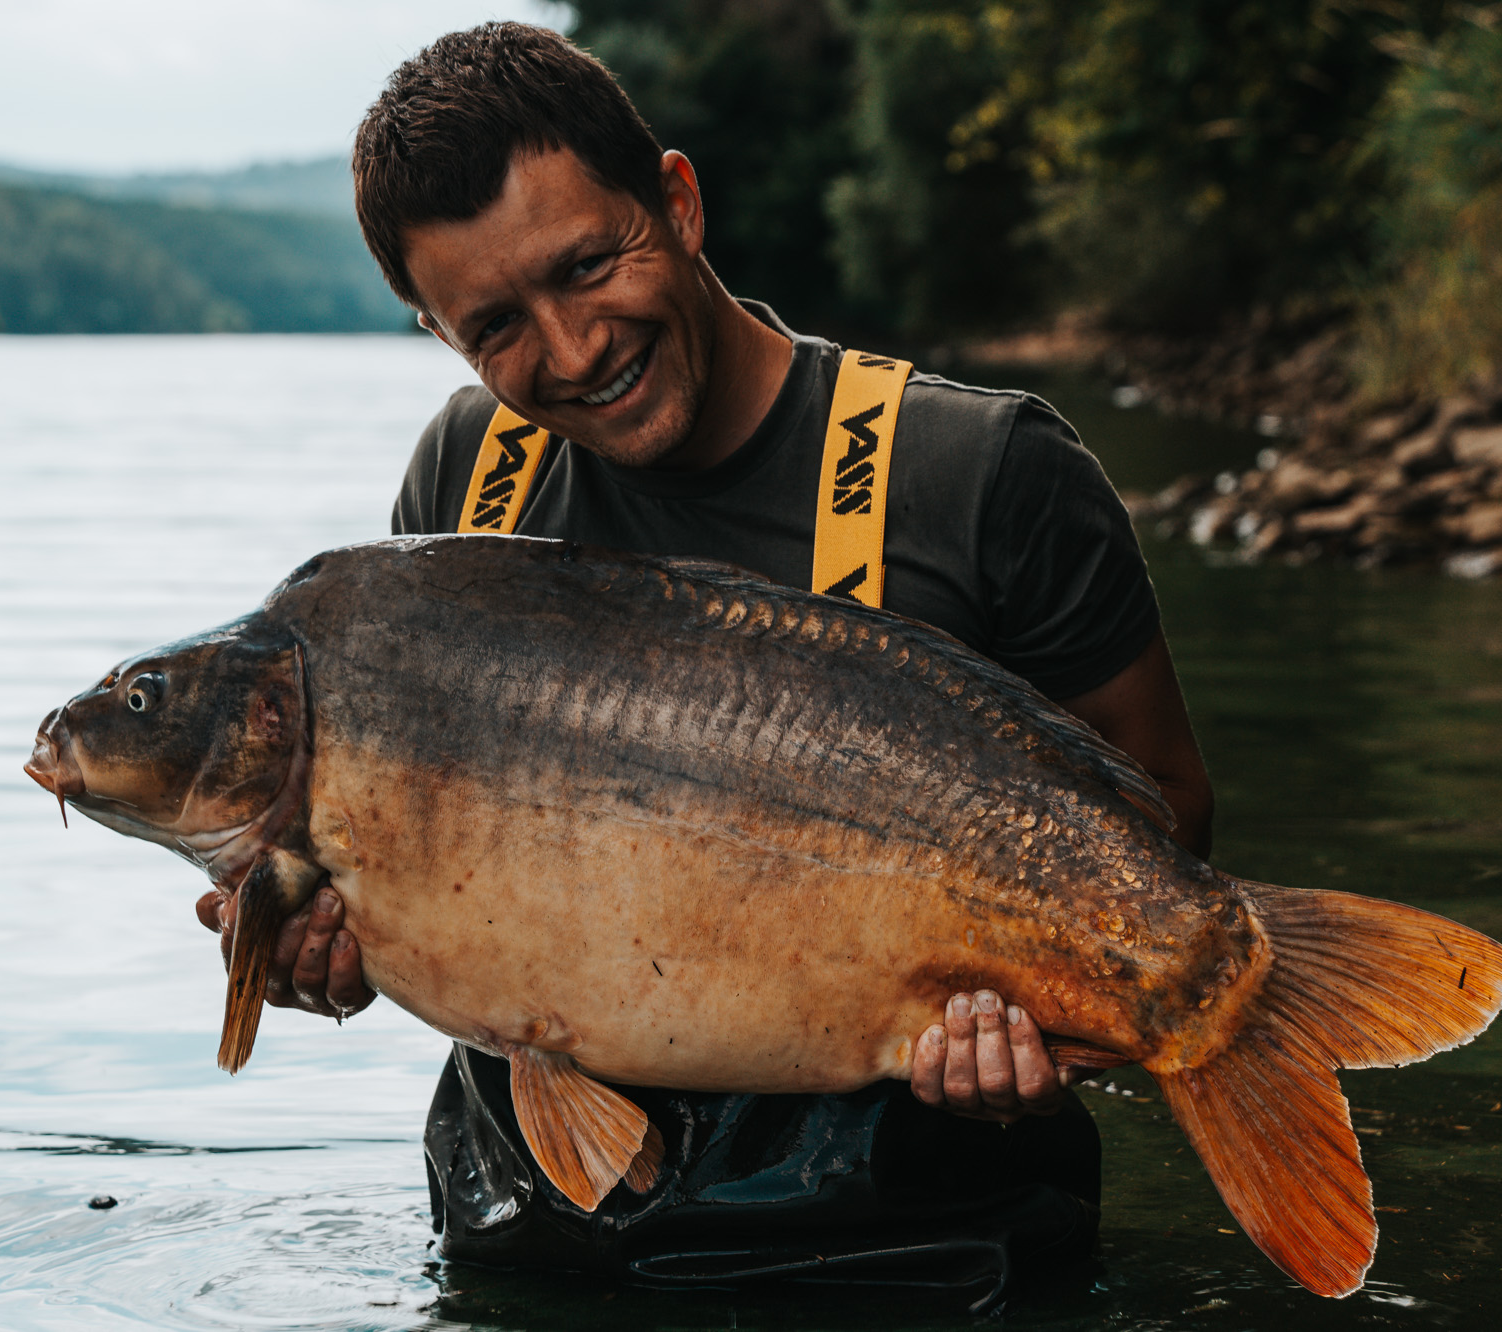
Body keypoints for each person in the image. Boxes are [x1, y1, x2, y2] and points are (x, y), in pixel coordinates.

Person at [197, 21, 1213, 1311]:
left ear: (676, 203)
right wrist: (330, 962)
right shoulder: (462, 488)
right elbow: (462, 886)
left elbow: (1169, 813)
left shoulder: (981, 476)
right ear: (437, 332)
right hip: (537, 1251)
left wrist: (1046, 1009)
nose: (571, 351)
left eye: (588, 265)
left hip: (920, 1255)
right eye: (496, 325)